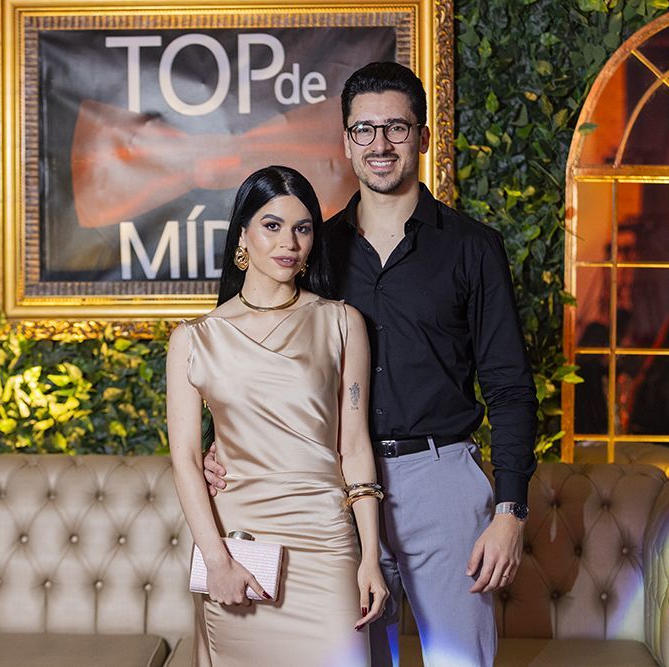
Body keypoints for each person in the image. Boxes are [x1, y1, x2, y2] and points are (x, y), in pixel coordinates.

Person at [205, 63, 538, 667]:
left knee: (460, 660)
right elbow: (260, 352)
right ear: (347, 140)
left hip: (440, 479)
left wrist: (510, 510)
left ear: (423, 136)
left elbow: (510, 388)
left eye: (396, 128)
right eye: (364, 129)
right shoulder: (314, 250)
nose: (380, 144)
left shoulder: (472, 247)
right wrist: (219, 442)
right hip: (331, 490)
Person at [166, 165, 389, 666]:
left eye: (302, 228)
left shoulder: (342, 322)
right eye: (272, 225)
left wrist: (369, 557)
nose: (289, 242)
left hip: (326, 544)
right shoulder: (193, 338)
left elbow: (354, 447)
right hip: (240, 547)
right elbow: (185, 461)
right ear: (242, 234)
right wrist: (217, 561)